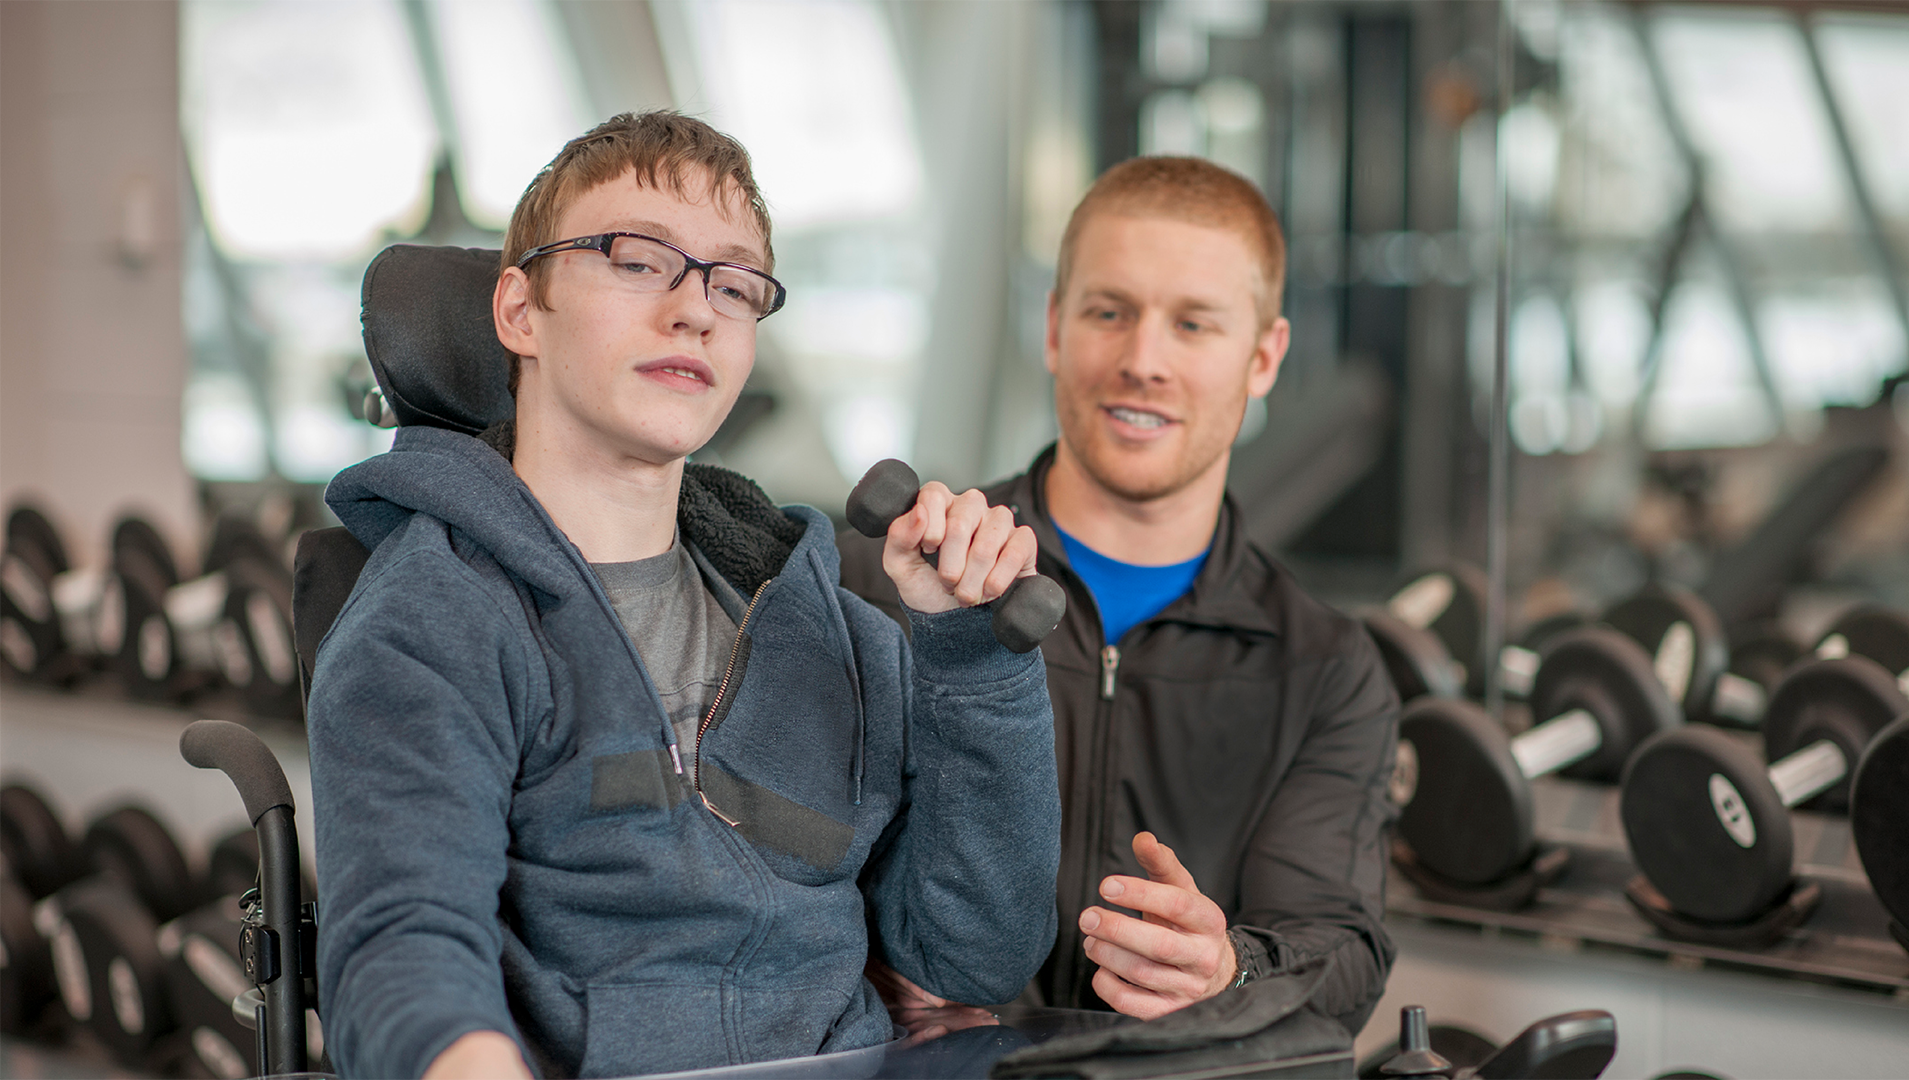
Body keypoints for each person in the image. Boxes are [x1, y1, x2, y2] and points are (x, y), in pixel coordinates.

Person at [305, 112, 1061, 1080]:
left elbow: (973, 957)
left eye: (735, 284)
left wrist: (969, 660)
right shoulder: (437, 620)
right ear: (518, 312)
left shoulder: (834, 637)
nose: (696, 309)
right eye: (634, 260)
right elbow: (404, 954)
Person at [841, 156, 1399, 1033]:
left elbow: (1339, 948)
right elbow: (757, 867)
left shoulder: (1326, 668)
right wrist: (853, 963)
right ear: (1057, 328)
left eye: (1194, 325)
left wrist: (1228, 969)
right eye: (1111, 312)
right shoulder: (886, 582)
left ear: (1263, 358)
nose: (1144, 361)